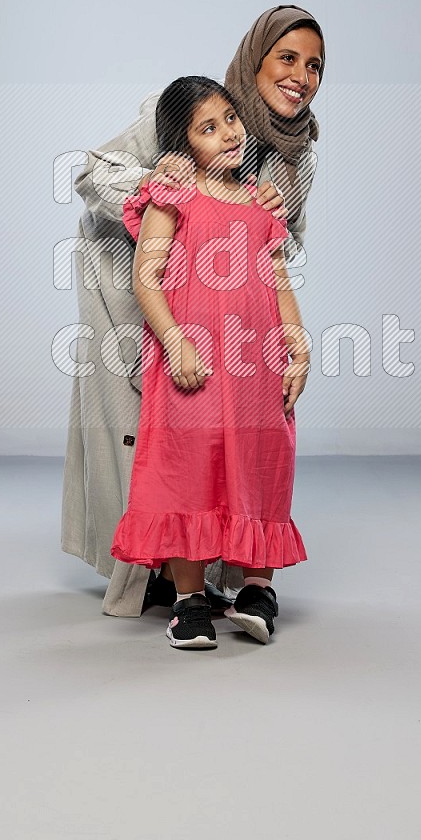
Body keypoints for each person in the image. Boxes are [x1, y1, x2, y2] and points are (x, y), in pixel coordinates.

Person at [61, 4, 325, 616]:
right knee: (152, 432)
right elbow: (91, 174)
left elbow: (282, 244)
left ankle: (235, 575)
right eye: (286, 59)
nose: (301, 76)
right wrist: (171, 186)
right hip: (133, 277)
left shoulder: (296, 155)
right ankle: (155, 576)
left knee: (229, 436)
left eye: (314, 66)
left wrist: (254, 210)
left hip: (228, 301)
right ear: (254, 61)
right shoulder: (188, 106)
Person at [111, 76, 310, 648]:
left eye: (230, 118)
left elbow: (278, 280)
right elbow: (145, 277)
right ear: (182, 144)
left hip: (258, 365)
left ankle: (258, 591)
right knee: (186, 469)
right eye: (208, 127)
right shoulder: (172, 197)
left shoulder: (259, 202)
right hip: (192, 362)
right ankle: (189, 599)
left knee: (260, 462)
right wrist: (174, 340)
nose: (228, 133)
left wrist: (298, 345)